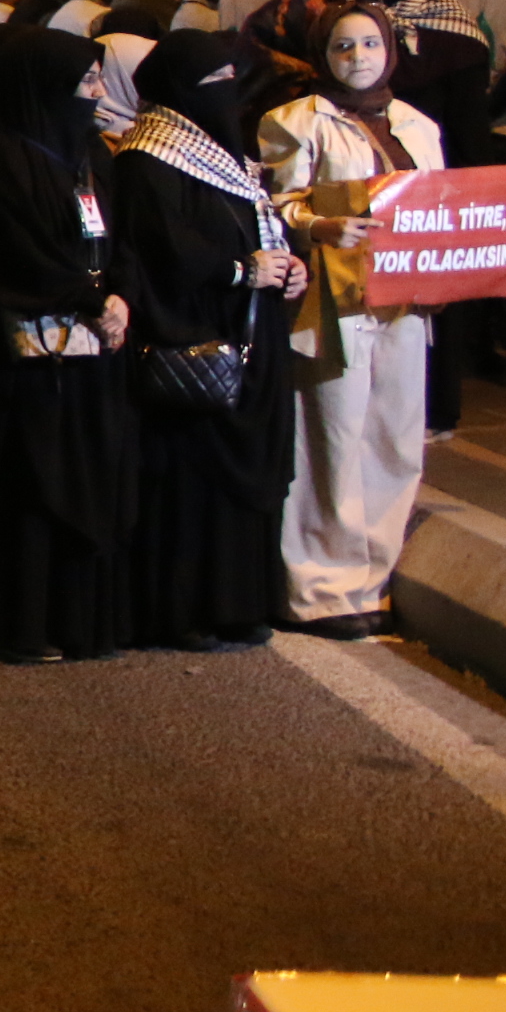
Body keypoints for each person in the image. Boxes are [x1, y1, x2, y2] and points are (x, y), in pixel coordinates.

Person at [111, 31, 303, 650]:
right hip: (195, 338)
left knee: (251, 475)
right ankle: (187, 607)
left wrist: (287, 265)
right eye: (214, 82)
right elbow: (166, 254)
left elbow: (258, 223)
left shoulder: (223, 156)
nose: (228, 94)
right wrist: (242, 269)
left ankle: (245, 601)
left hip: (252, 335)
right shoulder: (150, 159)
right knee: (194, 481)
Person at [259, 0, 444, 640]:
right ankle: (319, 588)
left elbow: (441, 205)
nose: (358, 59)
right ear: (322, 55)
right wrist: (319, 224)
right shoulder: (293, 121)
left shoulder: (417, 125)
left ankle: (373, 579)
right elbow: (276, 204)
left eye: (370, 45)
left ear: (390, 50)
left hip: (404, 303)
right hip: (333, 302)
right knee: (331, 440)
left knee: (393, 439)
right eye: (343, 47)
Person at [0, 26, 137, 661]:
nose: (93, 93)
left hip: (94, 351)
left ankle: (81, 622)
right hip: (31, 361)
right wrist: (85, 299)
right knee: (32, 491)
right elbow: (17, 253)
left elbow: (120, 239)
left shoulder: (91, 154)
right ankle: (24, 626)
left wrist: (118, 294)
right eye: (84, 82)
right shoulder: (5, 159)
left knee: (91, 477)